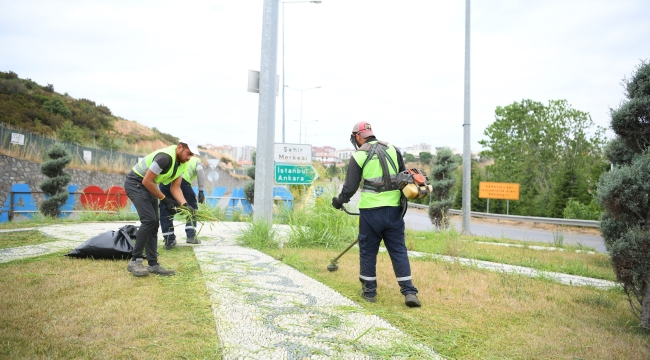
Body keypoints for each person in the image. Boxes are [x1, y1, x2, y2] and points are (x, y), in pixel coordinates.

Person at [331, 121, 421, 307]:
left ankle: (369, 293)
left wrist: (338, 201)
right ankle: (409, 292)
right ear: (371, 133)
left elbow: (350, 188)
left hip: (371, 212)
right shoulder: (393, 149)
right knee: (398, 251)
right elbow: (404, 177)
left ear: (357, 136)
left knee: (368, 251)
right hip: (394, 210)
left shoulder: (359, 155)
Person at [124, 138, 199, 277]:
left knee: (154, 224)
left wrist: (185, 205)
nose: (189, 158)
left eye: (191, 156)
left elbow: (175, 187)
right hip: (136, 183)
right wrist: (165, 200)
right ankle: (135, 261)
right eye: (188, 154)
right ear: (180, 147)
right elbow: (146, 180)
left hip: (149, 186)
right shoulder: (164, 158)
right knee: (149, 220)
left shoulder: (182, 164)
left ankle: (153, 264)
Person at [160, 155, 206, 250]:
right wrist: (201, 190)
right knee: (191, 208)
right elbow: (200, 170)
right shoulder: (197, 160)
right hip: (182, 182)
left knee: (166, 209)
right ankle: (191, 236)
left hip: (164, 182)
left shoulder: (176, 157)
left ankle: (169, 240)